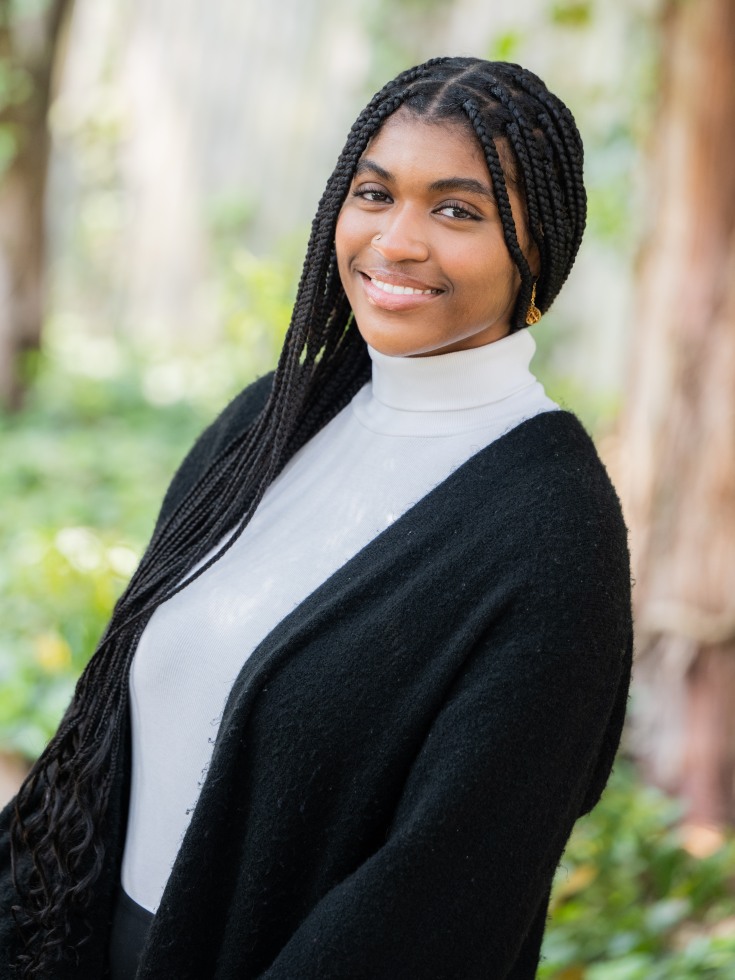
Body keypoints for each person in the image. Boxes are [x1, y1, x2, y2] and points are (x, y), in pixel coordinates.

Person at [0, 56, 632, 979]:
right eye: (375, 194)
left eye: (457, 210)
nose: (398, 241)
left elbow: (441, 900)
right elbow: (112, 725)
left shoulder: (550, 535)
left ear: (541, 248)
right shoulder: (266, 423)